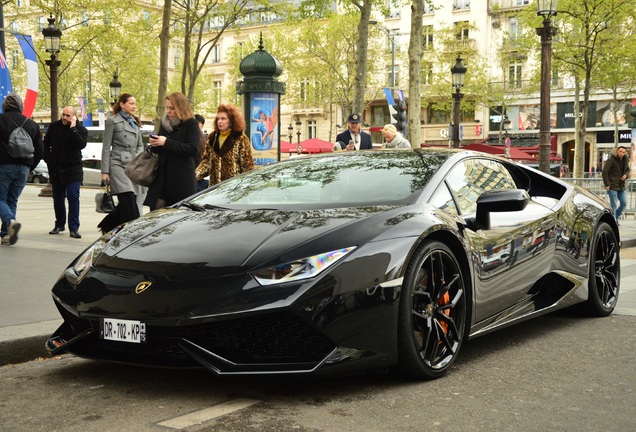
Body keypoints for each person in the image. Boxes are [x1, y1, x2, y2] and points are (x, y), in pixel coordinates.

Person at [144, 92, 200, 211]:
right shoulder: (164, 124)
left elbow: (192, 149)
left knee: (178, 218)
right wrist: (155, 143)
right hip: (162, 178)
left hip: (181, 180)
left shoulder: (191, 124)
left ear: (181, 108)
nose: (168, 111)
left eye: (172, 108)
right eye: (167, 107)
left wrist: (166, 142)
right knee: (155, 215)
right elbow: (159, 150)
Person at [0, 93, 44, 246]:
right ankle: (7, 234)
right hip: (24, 168)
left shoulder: (1, 120)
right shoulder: (32, 124)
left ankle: (9, 221)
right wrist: (29, 165)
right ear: (20, 106)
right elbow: (40, 150)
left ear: (5, 105)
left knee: (0, 198)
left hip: (4, 166)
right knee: (12, 199)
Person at [98, 94, 146, 234]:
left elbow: (140, 145)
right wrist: (104, 171)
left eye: (134, 103)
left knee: (129, 203)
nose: (134, 106)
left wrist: (137, 157)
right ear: (122, 104)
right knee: (128, 198)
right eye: (131, 103)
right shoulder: (113, 121)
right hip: (117, 164)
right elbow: (106, 147)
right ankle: (131, 232)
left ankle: (107, 226)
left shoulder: (135, 123)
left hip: (132, 166)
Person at [44, 106, 88, 239]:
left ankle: (74, 228)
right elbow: (46, 144)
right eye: (63, 114)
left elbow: (81, 144)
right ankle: (59, 224)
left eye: (68, 115)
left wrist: (73, 128)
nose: (64, 117)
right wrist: (48, 160)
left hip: (73, 170)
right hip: (57, 169)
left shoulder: (81, 130)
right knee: (58, 199)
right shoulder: (54, 127)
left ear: (74, 117)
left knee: (73, 198)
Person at [196, 103, 254, 187]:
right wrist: (196, 174)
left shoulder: (241, 138)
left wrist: (245, 188)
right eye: (218, 119)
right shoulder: (212, 138)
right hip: (214, 190)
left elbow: (247, 167)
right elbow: (206, 162)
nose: (219, 121)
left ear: (231, 121)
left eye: (223, 119)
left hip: (233, 190)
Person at [602, 145, 630, 222]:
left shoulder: (625, 160)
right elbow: (605, 172)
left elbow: (628, 170)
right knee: (613, 204)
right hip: (612, 185)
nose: (621, 153)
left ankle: (615, 217)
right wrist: (607, 184)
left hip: (622, 185)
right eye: (620, 151)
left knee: (624, 203)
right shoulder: (611, 160)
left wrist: (625, 175)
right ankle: (613, 221)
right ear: (617, 151)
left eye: (623, 152)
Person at [194, 114, 209, 192]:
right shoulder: (204, 138)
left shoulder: (203, 138)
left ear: (202, 125)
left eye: (197, 123)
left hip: (198, 176)